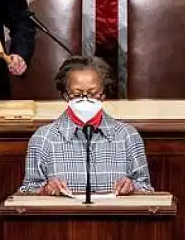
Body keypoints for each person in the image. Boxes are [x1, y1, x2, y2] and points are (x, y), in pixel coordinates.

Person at [20, 56, 152, 195]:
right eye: (76, 94)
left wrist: (132, 188)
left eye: (92, 93)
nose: (85, 99)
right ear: (65, 95)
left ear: (103, 93)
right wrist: (45, 190)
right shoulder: (43, 138)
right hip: (65, 216)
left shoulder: (127, 135)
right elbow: (27, 191)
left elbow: (146, 188)